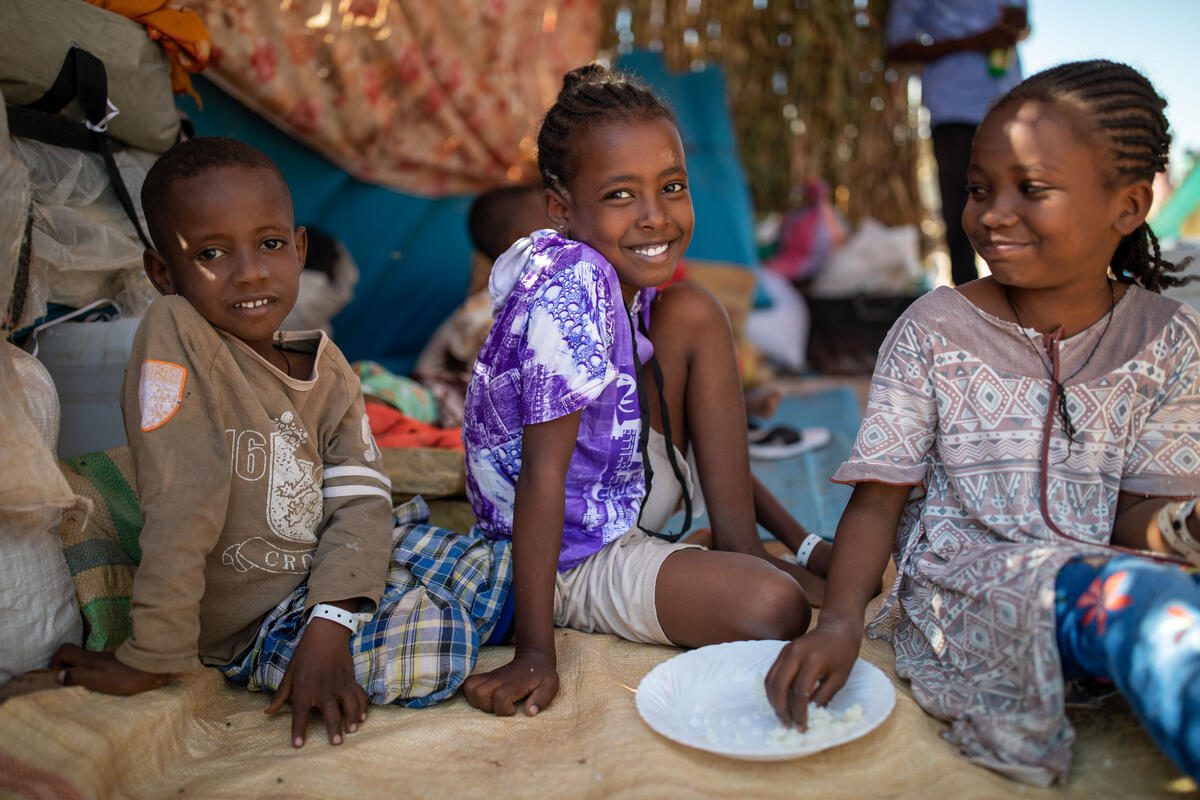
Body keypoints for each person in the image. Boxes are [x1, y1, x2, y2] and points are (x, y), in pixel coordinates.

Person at [765, 60, 1200, 786]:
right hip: (970, 595)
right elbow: (879, 498)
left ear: (1126, 207)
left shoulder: (1168, 341)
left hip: (1104, 582)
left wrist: (1187, 525)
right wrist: (840, 622)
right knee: (1146, 609)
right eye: (978, 189)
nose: (992, 213)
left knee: (1153, 603)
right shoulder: (935, 328)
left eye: (1031, 189)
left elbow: (1138, 519)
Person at [49, 137, 512, 748]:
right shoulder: (177, 333)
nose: (249, 272)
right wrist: (152, 652)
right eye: (211, 252)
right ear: (164, 273)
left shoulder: (331, 368)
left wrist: (333, 617)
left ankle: (473, 608)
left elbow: (359, 502)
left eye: (269, 244)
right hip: (259, 622)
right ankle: (429, 612)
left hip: (329, 574)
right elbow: (181, 494)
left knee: (493, 564)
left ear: (297, 250)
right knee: (428, 648)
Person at [461, 64, 833, 719]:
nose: (655, 217)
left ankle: (740, 548)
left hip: (622, 493)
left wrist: (800, 542)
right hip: (568, 554)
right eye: (620, 195)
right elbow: (543, 478)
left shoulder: (615, 282)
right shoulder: (570, 289)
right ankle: (737, 568)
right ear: (562, 209)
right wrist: (535, 651)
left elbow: (707, 441)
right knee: (774, 606)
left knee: (693, 308)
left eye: (671, 186)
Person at [887, 0, 1029, 286]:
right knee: (963, 205)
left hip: (1008, 104)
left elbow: (1021, 27)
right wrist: (971, 43)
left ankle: (1022, 294)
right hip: (953, 108)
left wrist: (1018, 27)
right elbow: (896, 47)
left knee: (1019, 200)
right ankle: (970, 299)